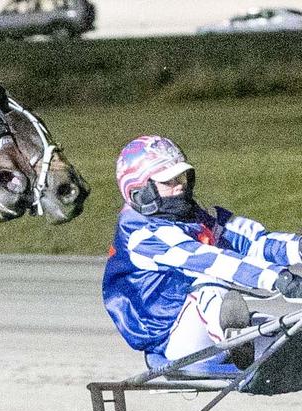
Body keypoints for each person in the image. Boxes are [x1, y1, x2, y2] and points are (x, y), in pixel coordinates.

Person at [104, 135, 302, 371]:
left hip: (202, 326)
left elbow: (256, 242)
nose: (180, 185)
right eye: (168, 182)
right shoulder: (141, 235)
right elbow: (212, 261)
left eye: (181, 177)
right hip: (174, 343)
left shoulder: (199, 217)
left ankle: (241, 342)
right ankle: (235, 345)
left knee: (286, 333)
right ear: (140, 191)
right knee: (212, 282)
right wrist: (279, 278)